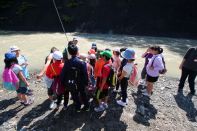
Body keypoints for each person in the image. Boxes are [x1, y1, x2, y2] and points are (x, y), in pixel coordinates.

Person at [60, 44, 89, 112]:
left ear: (69, 53)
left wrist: (63, 83)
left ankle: (78, 108)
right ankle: (87, 107)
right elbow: (85, 74)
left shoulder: (67, 62)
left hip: (71, 82)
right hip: (81, 82)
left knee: (74, 95)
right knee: (83, 94)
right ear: (77, 51)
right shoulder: (82, 62)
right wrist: (86, 83)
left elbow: (63, 74)